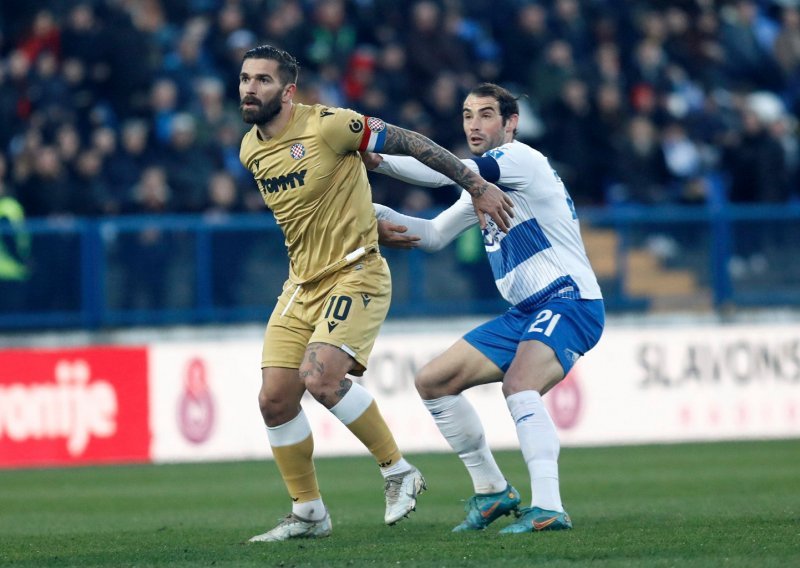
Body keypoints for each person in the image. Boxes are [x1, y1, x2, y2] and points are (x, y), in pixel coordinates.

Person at [237, 46, 514, 543]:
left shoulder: (329, 124)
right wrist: (371, 221)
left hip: (355, 273)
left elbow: (410, 141)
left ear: (288, 90)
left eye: (261, 80)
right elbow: (310, 208)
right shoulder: (249, 150)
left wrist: (473, 184)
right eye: (244, 79)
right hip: (301, 283)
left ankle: (397, 470)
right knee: (274, 402)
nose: (249, 89)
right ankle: (308, 513)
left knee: (320, 379)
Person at [366, 83, 604, 534]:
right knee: (433, 382)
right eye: (467, 114)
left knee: (519, 386)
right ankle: (493, 490)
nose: (474, 124)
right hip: (525, 312)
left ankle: (550, 507)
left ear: (510, 124)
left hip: (569, 300)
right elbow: (433, 235)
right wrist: (369, 214)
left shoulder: (519, 160)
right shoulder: (479, 185)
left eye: (486, 114)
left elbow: (442, 174)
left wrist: (378, 155)